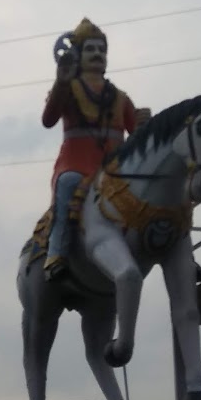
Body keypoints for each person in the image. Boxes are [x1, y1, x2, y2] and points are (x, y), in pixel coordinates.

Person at [42, 17, 144, 279]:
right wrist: (61, 82)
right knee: (67, 184)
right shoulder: (69, 88)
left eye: (101, 49)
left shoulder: (119, 97)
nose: (97, 54)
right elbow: (49, 119)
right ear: (77, 55)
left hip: (115, 171)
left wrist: (149, 127)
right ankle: (57, 250)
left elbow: (139, 137)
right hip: (76, 166)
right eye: (90, 49)